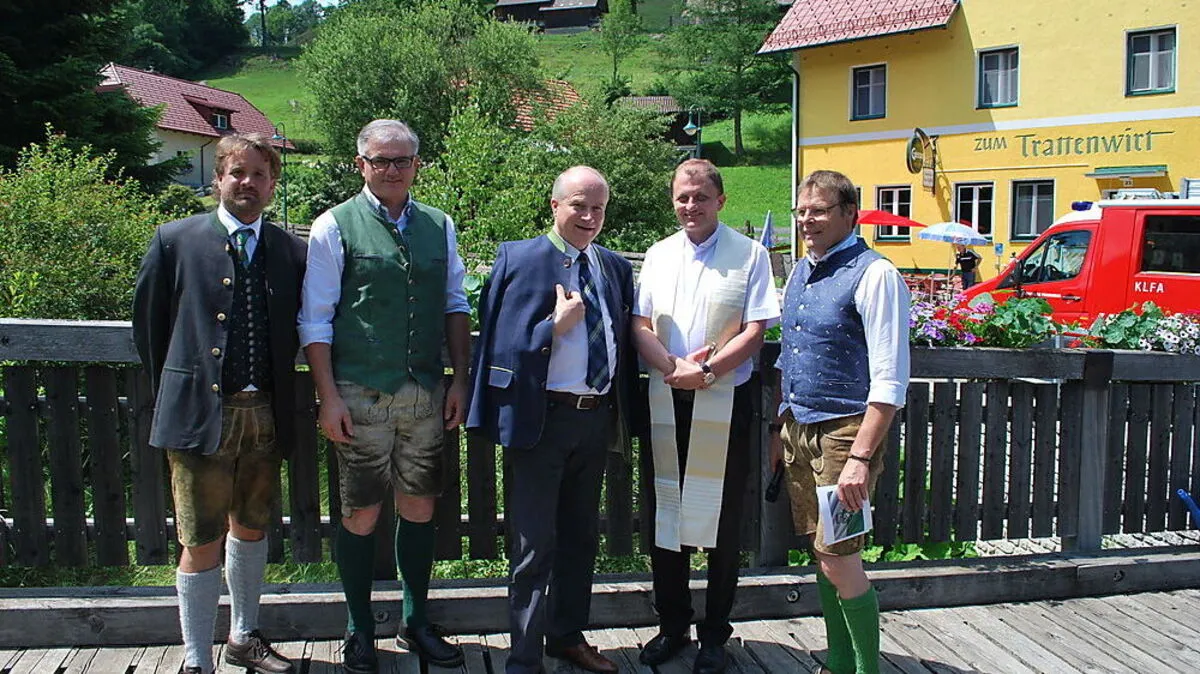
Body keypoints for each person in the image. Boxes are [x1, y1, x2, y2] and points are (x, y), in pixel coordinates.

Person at [298, 119, 470, 674]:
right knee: (361, 512)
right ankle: (358, 628)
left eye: (401, 160)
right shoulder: (333, 225)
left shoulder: (439, 226)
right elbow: (316, 319)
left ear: (417, 165)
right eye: (380, 160)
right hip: (358, 391)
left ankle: (416, 622)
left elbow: (454, 306)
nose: (391, 169)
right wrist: (328, 396)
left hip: (424, 389)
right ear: (361, 164)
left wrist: (460, 379)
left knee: (420, 506)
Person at [133, 133, 307, 674]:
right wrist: (182, 388)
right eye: (237, 173)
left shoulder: (291, 251)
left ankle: (243, 637)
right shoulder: (174, 240)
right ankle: (195, 659)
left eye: (259, 175)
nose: (247, 184)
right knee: (200, 535)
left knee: (252, 527)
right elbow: (150, 330)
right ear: (218, 180)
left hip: (265, 413)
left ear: (273, 183)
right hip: (197, 415)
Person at [467, 166, 635, 674]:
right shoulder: (519, 258)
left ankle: (566, 637)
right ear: (554, 205)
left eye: (598, 208)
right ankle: (523, 657)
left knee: (580, 538)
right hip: (540, 423)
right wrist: (552, 329)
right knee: (533, 544)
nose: (588, 217)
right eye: (579, 205)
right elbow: (497, 345)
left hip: (594, 421)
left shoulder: (614, 266)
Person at [633, 159, 780, 674]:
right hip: (666, 398)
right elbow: (641, 323)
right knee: (665, 514)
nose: (690, 206)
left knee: (723, 520)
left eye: (699, 196)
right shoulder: (658, 254)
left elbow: (757, 328)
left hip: (725, 399)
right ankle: (672, 625)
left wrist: (709, 371)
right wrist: (672, 367)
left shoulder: (751, 254)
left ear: (720, 199)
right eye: (681, 197)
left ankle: (715, 633)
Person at [770, 170, 910, 674]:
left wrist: (859, 458)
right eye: (802, 211)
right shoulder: (802, 271)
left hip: (847, 435)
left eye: (820, 210)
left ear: (850, 214)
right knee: (820, 552)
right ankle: (840, 663)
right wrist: (779, 426)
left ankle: (864, 669)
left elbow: (890, 381)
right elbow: (792, 355)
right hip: (800, 431)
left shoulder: (876, 275)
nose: (808, 220)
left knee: (840, 555)